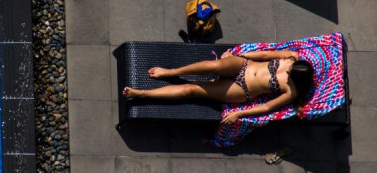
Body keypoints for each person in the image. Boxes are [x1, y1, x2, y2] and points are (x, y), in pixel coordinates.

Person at [122, 49, 315, 125]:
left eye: (290, 74)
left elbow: (267, 107)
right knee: (212, 65)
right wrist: (241, 54)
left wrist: (238, 114)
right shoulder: (292, 58)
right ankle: (171, 72)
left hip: (242, 89)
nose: (287, 72)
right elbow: (265, 55)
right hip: (244, 65)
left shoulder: (292, 91)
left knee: (193, 90)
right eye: (289, 70)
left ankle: (142, 93)